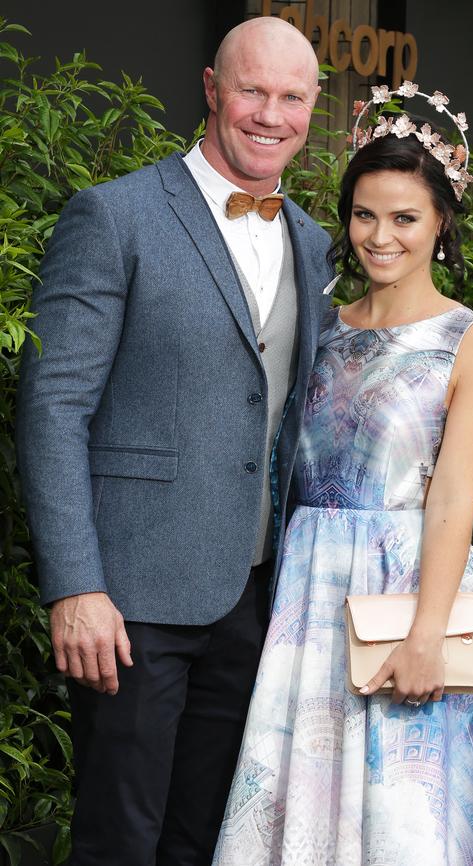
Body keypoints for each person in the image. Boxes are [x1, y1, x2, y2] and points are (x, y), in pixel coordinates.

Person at [213, 87, 473, 864]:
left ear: (441, 222)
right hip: (305, 605)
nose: (381, 237)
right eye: (364, 215)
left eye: (405, 217)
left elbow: (454, 494)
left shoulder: (471, 341)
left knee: (407, 825)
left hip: (409, 596)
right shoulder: (319, 326)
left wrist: (425, 634)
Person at [15, 16, 335, 866]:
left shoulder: (314, 242)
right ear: (211, 89)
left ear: (313, 108)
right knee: (118, 840)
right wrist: (75, 585)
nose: (272, 113)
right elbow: (53, 407)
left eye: (293, 96)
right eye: (253, 90)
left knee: (208, 837)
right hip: (130, 600)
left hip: (255, 597)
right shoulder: (114, 216)